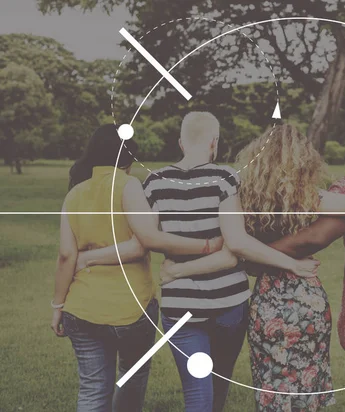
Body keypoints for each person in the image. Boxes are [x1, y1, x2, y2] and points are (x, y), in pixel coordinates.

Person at [77, 114, 319, 412]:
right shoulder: (225, 178)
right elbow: (238, 244)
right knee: (217, 389)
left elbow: (148, 239)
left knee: (197, 394)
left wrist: (88, 256)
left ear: (181, 142)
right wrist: (292, 264)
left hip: (181, 307)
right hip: (229, 302)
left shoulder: (154, 182)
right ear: (214, 143)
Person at [170, 124, 345, 411]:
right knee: (307, 386)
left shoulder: (244, 197)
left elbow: (237, 245)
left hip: (267, 302)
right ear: (304, 159)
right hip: (306, 299)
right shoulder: (309, 197)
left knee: (271, 386)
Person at [51, 124, 220, 412]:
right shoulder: (129, 186)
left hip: (80, 308)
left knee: (92, 389)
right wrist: (206, 246)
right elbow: (142, 244)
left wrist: (58, 305)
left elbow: (67, 255)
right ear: (128, 157)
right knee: (131, 379)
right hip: (131, 309)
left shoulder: (75, 194)